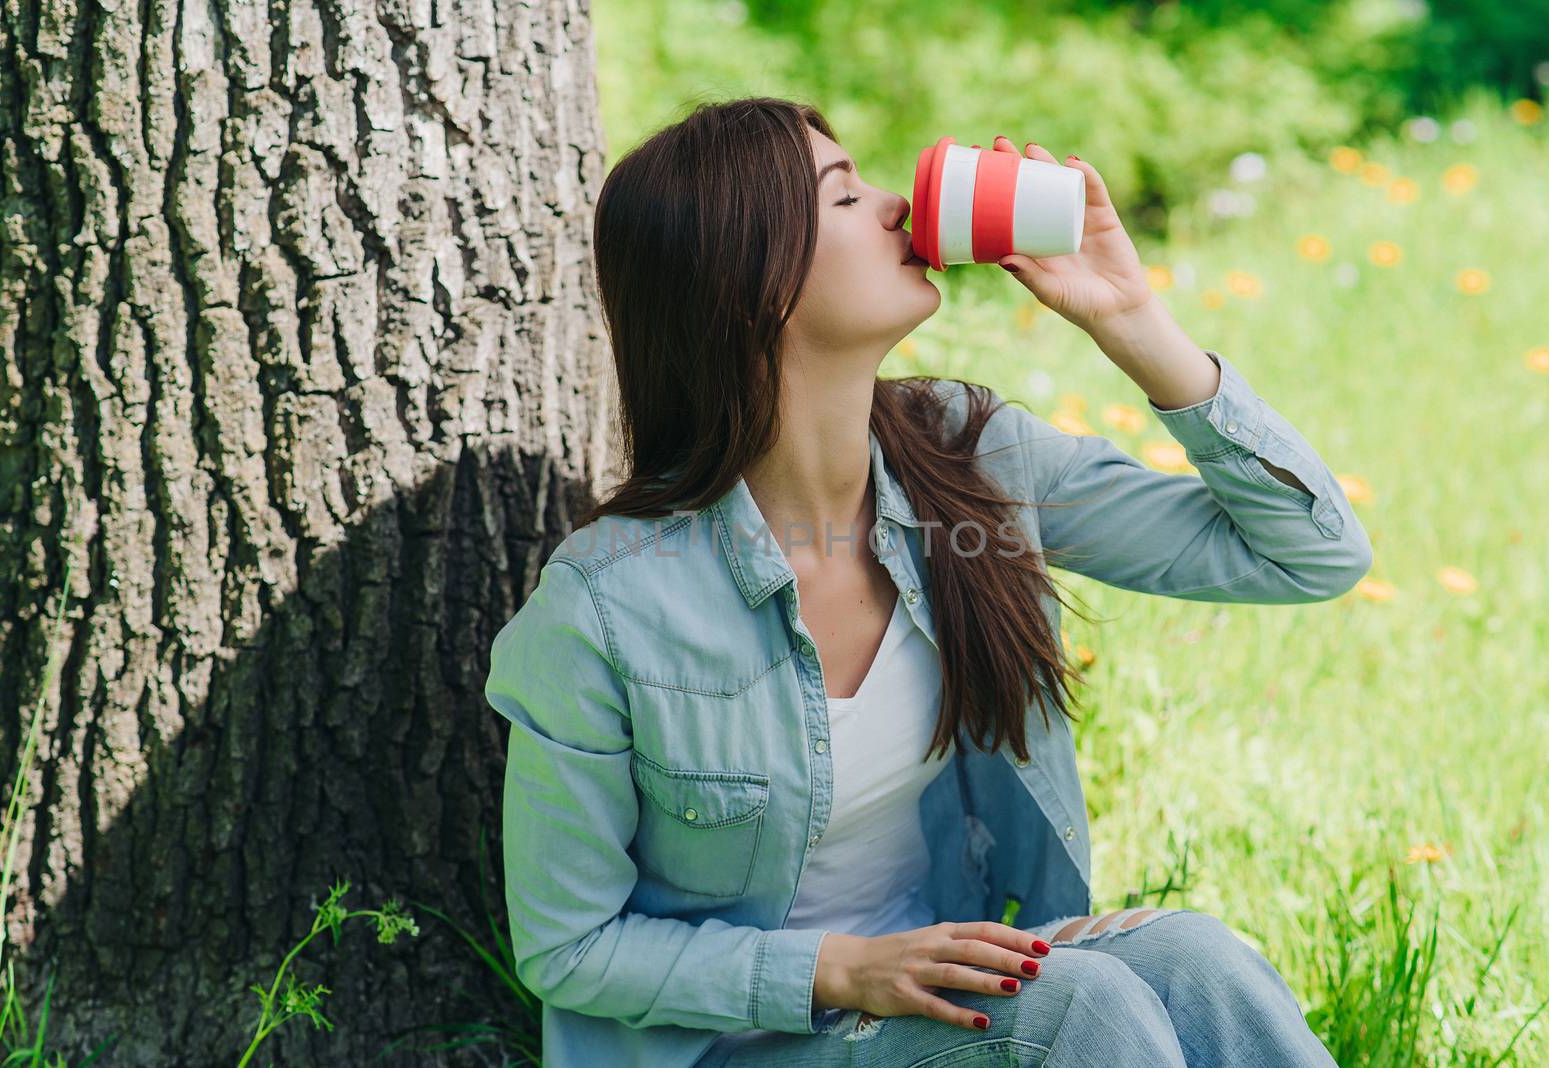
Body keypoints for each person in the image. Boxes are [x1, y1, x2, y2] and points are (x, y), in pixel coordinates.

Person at [485, 95, 1367, 1067]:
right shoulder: (608, 609)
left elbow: (1307, 553)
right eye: (846, 196)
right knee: (1077, 1009)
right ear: (751, 284)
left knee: (1195, 959)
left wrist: (1131, 319)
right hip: (738, 1044)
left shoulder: (967, 458)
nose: (901, 206)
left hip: (931, 998)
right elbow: (571, 948)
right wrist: (840, 968)